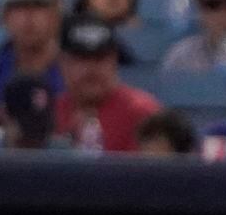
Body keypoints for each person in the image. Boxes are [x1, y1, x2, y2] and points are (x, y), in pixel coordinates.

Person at [55, 18, 160, 153]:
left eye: (99, 58)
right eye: (82, 59)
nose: (91, 68)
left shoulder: (143, 114)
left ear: (114, 61)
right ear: (63, 63)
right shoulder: (51, 113)